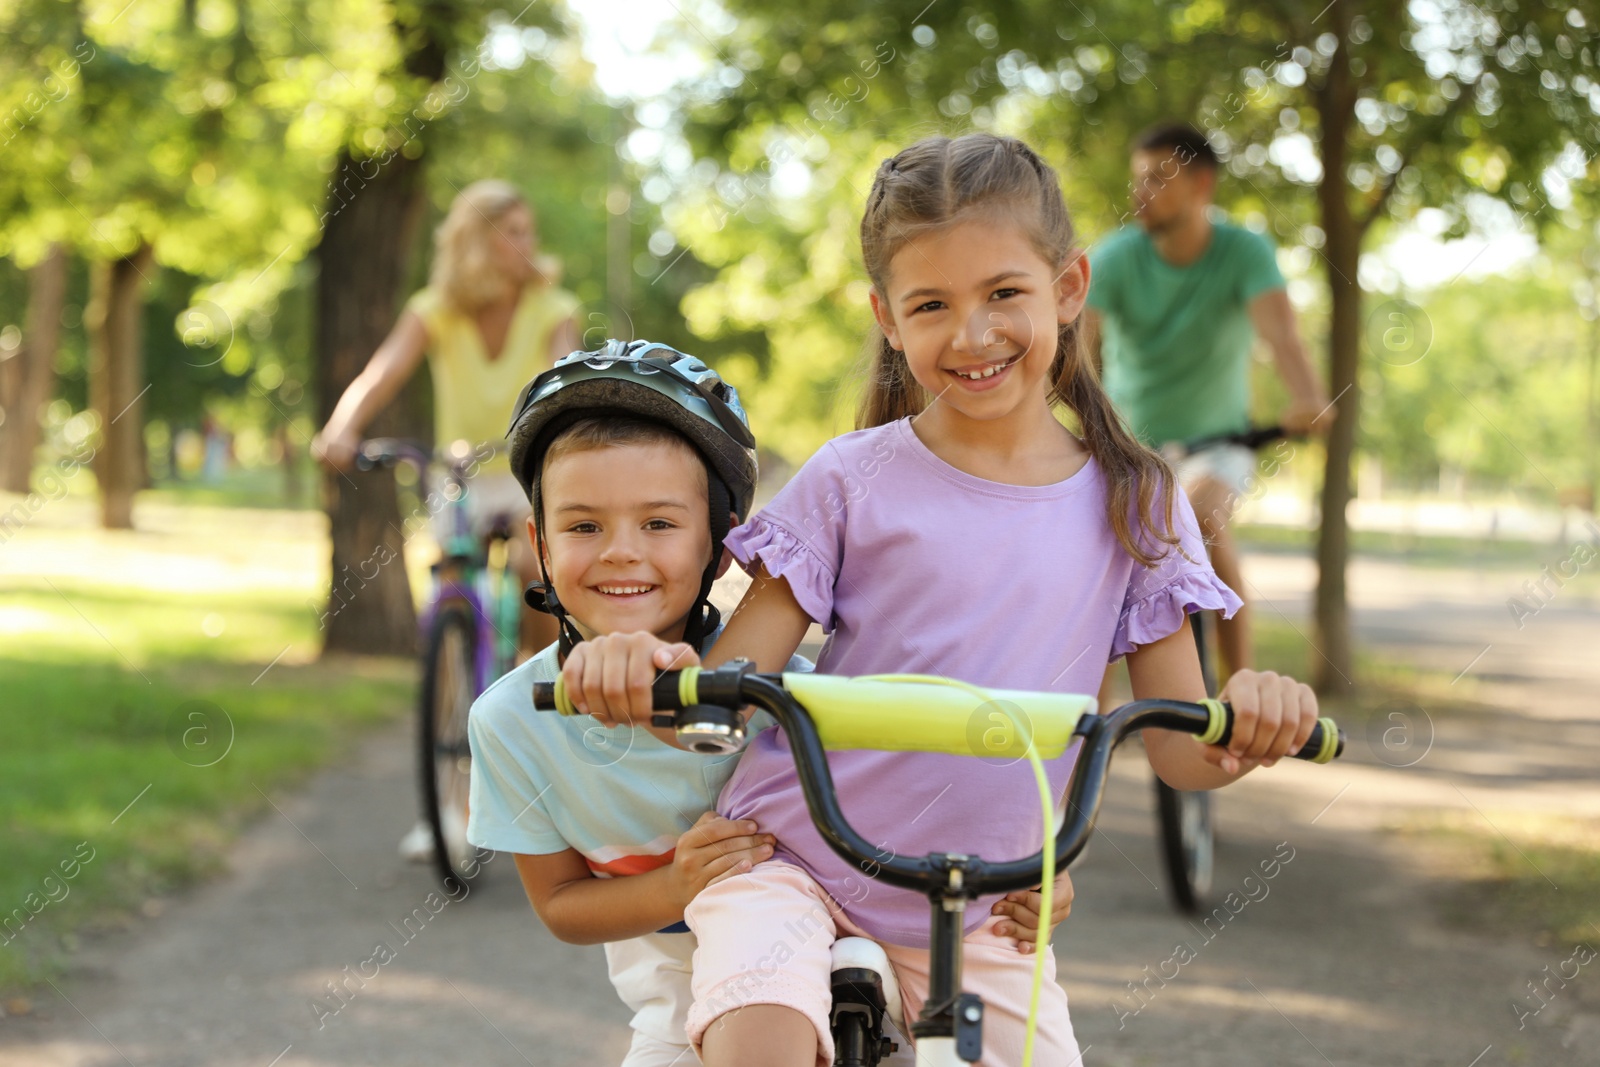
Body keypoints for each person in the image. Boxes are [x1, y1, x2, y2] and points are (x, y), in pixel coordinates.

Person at [557, 133, 1327, 1067]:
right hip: (791, 863)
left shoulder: (1139, 501)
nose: (973, 335)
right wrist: (646, 668)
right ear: (888, 318)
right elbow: (725, 697)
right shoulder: (851, 479)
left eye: (1005, 293)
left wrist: (1248, 723)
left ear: (1071, 288)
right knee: (759, 1045)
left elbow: (1176, 749)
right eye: (932, 305)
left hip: (986, 899)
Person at [466, 341, 1071, 1066]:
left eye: (659, 523)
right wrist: (676, 884)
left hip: (877, 962)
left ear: (721, 547)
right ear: (538, 542)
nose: (621, 551)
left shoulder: (801, 688)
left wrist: (1032, 873)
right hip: (683, 1007)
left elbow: (940, 792)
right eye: (584, 525)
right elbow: (562, 903)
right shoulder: (511, 720)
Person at [310, 180, 579, 861]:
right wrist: (342, 428)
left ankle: (536, 689)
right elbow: (383, 371)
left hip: (524, 468)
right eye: (512, 232)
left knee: (529, 570)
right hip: (457, 472)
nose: (528, 244)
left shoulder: (553, 305)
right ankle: (449, 810)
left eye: (528, 230)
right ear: (477, 243)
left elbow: (562, 376)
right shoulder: (436, 310)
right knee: (447, 605)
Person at [1084, 122, 1332, 678]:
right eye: (1137, 180)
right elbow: (1075, 353)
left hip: (1218, 444)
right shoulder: (1117, 257)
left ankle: (1236, 695)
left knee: (1203, 516)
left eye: (1155, 180)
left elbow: (1283, 338)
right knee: (1098, 568)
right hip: (1132, 449)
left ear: (1201, 186)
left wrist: (1309, 398)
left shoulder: (1242, 252)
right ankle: (1086, 731)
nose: (1138, 194)